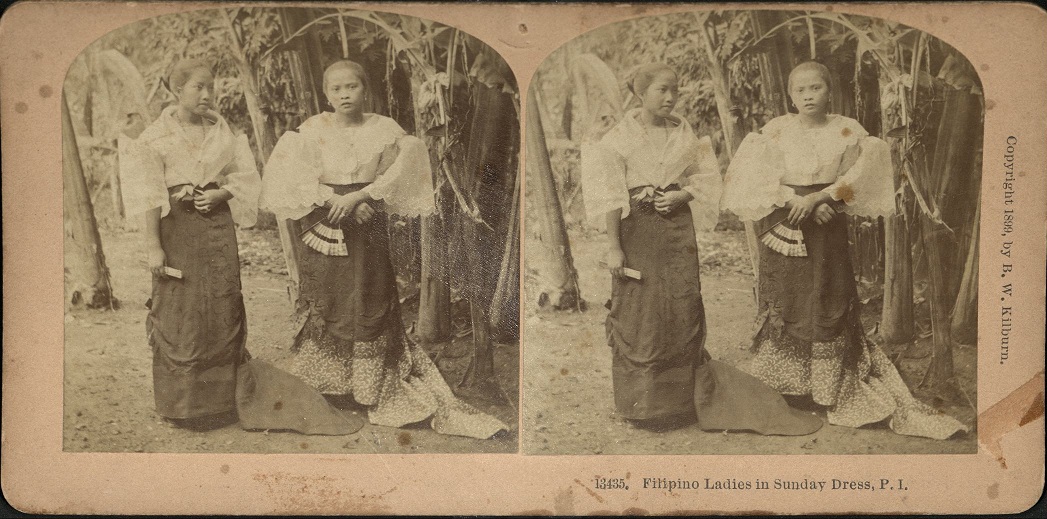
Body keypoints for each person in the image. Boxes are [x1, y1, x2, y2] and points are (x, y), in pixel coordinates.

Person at [721, 61, 967, 439]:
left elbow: (858, 180)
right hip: (784, 220)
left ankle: (826, 386)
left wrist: (823, 197)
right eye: (800, 90)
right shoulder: (776, 131)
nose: (808, 96)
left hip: (826, 223)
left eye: (816, 88)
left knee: (826, 295)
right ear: (790, 95)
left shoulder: (846, 130)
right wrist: (795, 200)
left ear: (829, 90)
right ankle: (786, 385)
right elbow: (755, 176)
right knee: (788, 299)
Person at [261, 60, 507, 439]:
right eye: (337, 89)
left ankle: (369, 385)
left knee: (369, 294)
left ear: (366, 90)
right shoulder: (312, 131)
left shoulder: (383, 130)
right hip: (326, 219)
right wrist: (333, 200)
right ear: (327, 95)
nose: (345, 94)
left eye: (352, 87)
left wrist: (364, 196)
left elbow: (404, 166)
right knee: (332, 296)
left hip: (367, 220)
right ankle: (330, 383)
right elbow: (293, 174)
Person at [582, 63, 822, 436]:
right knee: (642, 313)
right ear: (640, 94)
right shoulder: (620, 138)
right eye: (661, 90)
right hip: (637, 231)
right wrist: (614, 246)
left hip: (677, 230)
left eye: (674, 90)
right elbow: (611, 195)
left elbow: (706, 176)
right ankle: (643, 405)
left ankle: (680, 403)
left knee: (680, 305)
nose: (670, 97)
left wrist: (683, 193)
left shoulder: (683, 132)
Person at [120, 60, 357, 435]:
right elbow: (148, 195)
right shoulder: (155, 137)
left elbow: (246, 176)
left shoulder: (222, 132)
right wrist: (153, 247)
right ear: (176, 91)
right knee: (181, 312)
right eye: (198, 87)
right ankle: (182, 405)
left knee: (220, 303)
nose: (206, 95)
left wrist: (221, 192)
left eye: (210, 87)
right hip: (175, 231)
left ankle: (221, 403)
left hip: (215, 229)